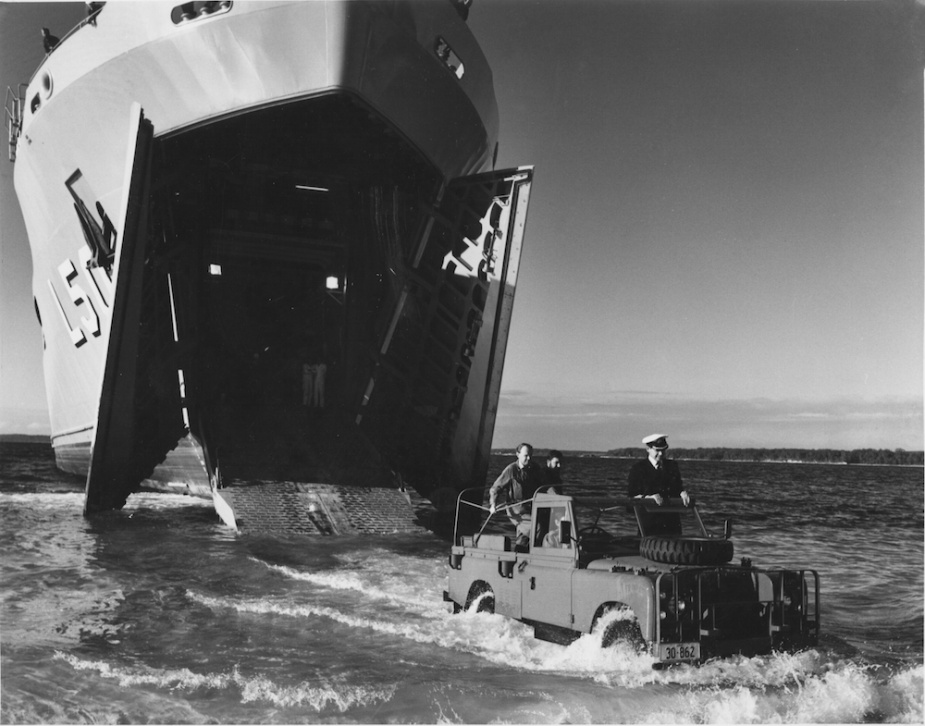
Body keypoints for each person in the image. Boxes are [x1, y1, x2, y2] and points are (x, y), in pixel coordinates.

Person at [627, 434, 690, 535]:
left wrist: (682, 493)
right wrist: (648, 498)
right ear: (648, 449)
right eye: (657, 450)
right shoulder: (638, 469)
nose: (661, 454)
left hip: (672, 525)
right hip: (649, 526)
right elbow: (631, 500)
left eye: (663, 450)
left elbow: (677, 488)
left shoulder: (672, 467)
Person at [488, 443, 544, 550]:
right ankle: (526, 552)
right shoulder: (511, 470)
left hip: (531, 507)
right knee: (536, 526)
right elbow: (495, 489)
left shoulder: (535, 468)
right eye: (526, 455)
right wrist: (493, 505)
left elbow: (543, 484)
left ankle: (524, 551)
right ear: (517, 454)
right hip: (516, 509)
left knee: (546, 523)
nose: (529, 458)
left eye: (531, 455)